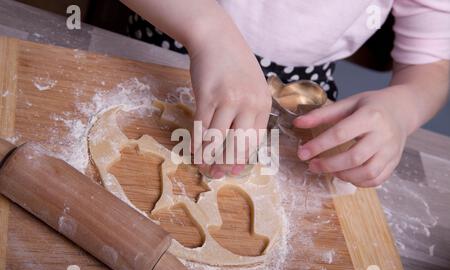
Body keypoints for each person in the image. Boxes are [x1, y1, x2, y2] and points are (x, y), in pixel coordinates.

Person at [121, 0, 450, 186]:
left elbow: (432, 61)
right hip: (174, 31)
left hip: (301, 87)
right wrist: (208, 31)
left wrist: (404, 106)